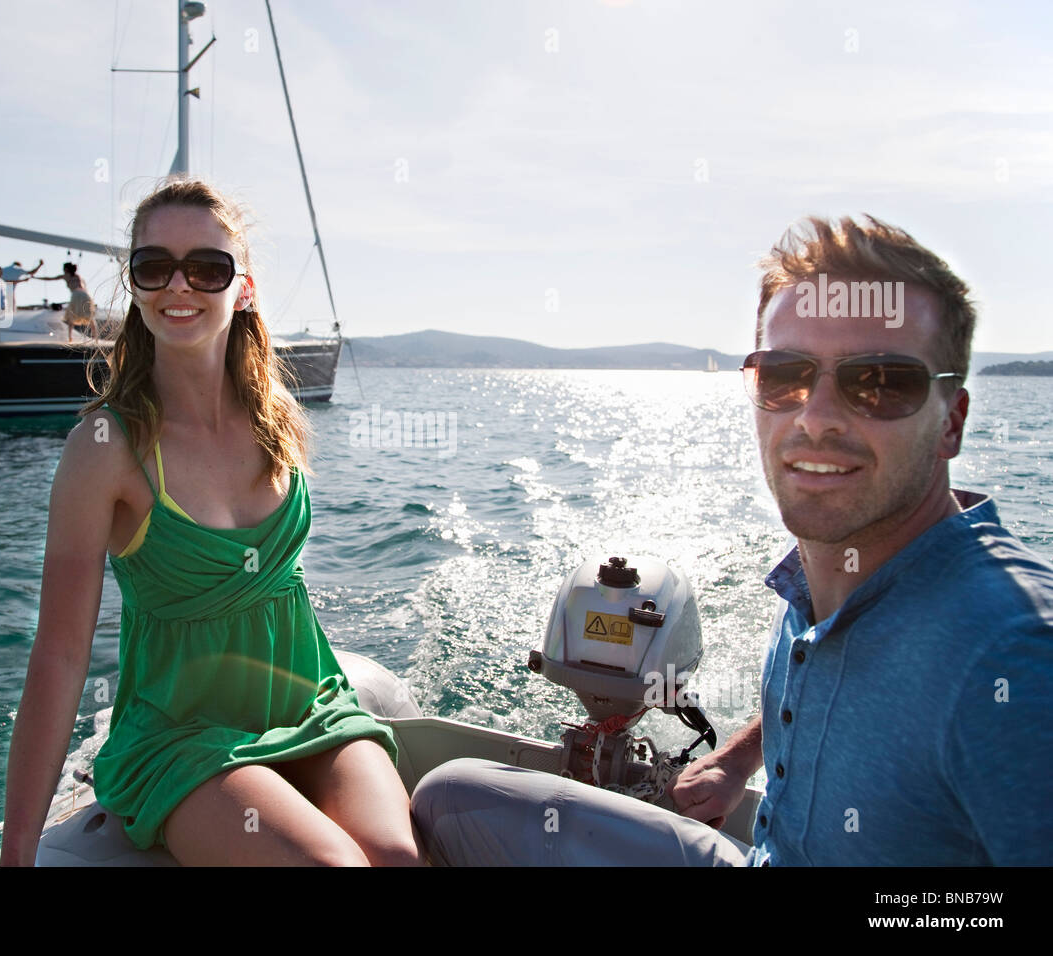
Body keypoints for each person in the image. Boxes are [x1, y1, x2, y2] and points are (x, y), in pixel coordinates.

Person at [411, 214, 1053, 866]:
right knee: (449, 797)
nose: (817, 417)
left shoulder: (1013, 653)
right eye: (785, 375)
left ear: (953, 422)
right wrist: (739, 759)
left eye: (881, 382)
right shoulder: (825, 579)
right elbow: (840, 680)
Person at [0, 176, 422, 867]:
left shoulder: (277, 417)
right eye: (154, 266)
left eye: (206, 267)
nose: (179, 286)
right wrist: (17, 853)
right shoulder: (107, 448)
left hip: (309, 700)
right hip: (183, 736)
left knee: (398, 859)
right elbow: (61, 652)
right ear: (133, 284)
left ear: (244, 288)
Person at [37, 261, 94, 342]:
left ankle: (70, 338)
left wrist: (36, 278)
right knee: (89, 316)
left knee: (72, 316)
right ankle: (95, 338)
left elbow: (51, 278)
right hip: (85, 295)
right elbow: (83, 286)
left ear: (66, 269)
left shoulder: (65, 276)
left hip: (76, 295)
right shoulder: (78, 276)